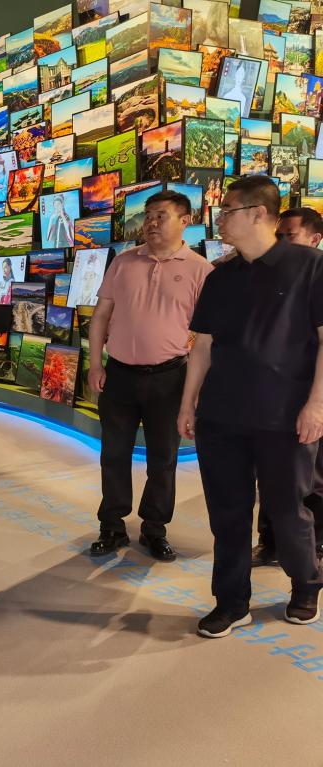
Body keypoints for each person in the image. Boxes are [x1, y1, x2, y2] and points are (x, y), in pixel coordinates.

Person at [178, 176, 323, 638]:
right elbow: (203, 345)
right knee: (228, 513)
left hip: (286, 417)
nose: (219, 219)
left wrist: (316, 405)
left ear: (259, 213)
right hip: (221, 414)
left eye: (227, 211)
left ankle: (306, 584)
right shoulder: (220, 276)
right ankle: (232, 601)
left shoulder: (310, 266)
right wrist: (188, 403)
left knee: (288, 510)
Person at [87, 190, 213, 561]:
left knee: (163, 458)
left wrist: (194, 391)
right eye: (149, 215)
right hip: (119, 375)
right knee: (113, 454)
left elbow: (206, 338)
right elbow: (101, 316)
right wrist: (95, 364)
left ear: (185, 221)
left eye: (161, 215)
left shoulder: (200, 270)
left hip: (169, 378)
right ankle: (111, 525)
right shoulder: (123, 262)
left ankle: (154, 528)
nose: (152, 222)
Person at [250, 207, 323, 567]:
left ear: (315, 238)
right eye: (279, 235)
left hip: (313, 396)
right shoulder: (272, 276)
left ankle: (313, 549)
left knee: (312, 478)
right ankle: (270, 543)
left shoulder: (317, 275)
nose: (281, 242)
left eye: (289, 235)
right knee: (271, 474)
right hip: (275, 397)